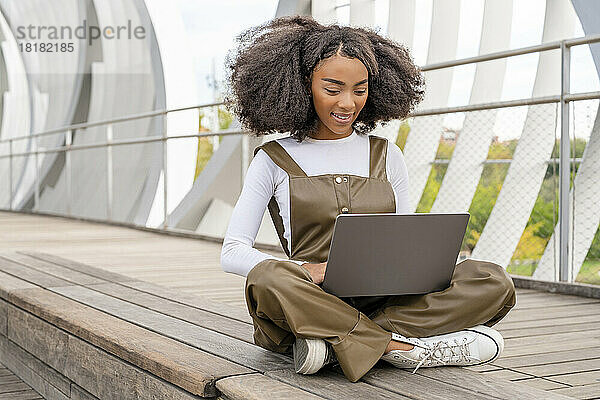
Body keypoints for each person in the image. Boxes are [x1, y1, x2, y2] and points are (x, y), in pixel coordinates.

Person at [220, 15, 515, 383]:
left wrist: (434, 263)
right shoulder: (272, 158)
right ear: (302, 86)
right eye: (333, 88)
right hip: (309, 297)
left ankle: (337, 343)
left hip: (384, 298)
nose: (348, 103)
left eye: (359, 89)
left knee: (492, 279)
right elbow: (232, 252)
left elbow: (404, 236)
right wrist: (307, 271)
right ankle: (399, 347)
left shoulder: (387, 154)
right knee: (265, 277)